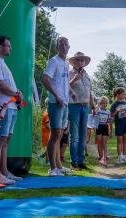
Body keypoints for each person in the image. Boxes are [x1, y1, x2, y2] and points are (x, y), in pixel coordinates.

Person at [0, 35, 23, 184]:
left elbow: (6, 83)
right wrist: (15, 94)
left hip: (11, 106)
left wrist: (17, 94)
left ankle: (4, 172)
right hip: (2, 106)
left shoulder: (1, 62)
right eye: (8, 45)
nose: (10, 48)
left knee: (5, 140)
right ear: (0, 47)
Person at [42, 36, 72, 176]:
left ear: (69, 47)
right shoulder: (54, 61)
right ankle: (52, 168)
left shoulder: (65, 63)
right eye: (61, 44)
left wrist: (71, 92)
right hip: (56, 102)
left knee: (60, 134)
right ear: (57, 47)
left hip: (65, 103)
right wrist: (57, 95)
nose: (64, 47)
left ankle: (59, 166)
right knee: (54, 134)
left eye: (66, 44)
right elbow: (45, 79)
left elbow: (64, 82)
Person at [68, 52, 95, 170]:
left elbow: (89, 92)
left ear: (84, 63)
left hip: (85, 106)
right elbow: (65, 87)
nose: (80, 62)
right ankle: (74, 162)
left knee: (83, 135)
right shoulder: (69, 73)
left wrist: (93, 106)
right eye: (78, 60)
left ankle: (81, 160)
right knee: (74, 135)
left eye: (82, 60)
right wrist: (74, 79)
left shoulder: (87, 75)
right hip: (74, 106)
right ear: (74, 62)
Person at [110, 87, 126, 164]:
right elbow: (111, 115)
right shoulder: (114, 104)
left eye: (124, 93)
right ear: (118, 95)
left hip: (125, 124)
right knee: (119, 141)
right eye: (123, 94)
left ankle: (124, 156)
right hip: (118, 125)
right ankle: (120, 157)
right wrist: (117, 110)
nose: (124, 95)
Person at [96, 96, 111, 166]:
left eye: (106, 103)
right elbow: (94, 113)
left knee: (104, 143)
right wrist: (97, 106)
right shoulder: (98, 110)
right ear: (100, 103)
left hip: (105, 127)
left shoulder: (108, 111)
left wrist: (110, 129)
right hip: (99, 127)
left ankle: (105, 156)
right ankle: (100, 156)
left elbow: (109, 121)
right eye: (103, 103)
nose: (104, 104)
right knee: (100, 142)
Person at [39, 98, 50, 165]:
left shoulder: (47, 111)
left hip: (46, 132)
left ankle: (41, 156)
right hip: (46, 132)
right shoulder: (47, 113)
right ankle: (48, 161)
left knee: (49, 147)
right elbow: (47, 124)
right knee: (48, 147)